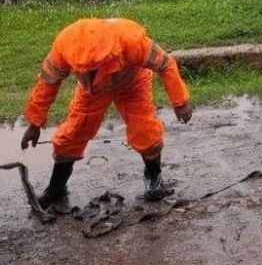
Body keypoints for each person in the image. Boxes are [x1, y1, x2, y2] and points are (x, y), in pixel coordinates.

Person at [20, 18, 192, 208]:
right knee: (72, 134)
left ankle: (154, 178)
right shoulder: (65, 43)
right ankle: (56, 188)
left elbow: (166, 64)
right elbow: (47, 83)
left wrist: (180, 102)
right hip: (90, 91)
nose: (89, 69)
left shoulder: (131, 40)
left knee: (144, 131)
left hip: (132, 85)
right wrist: (34, 123)